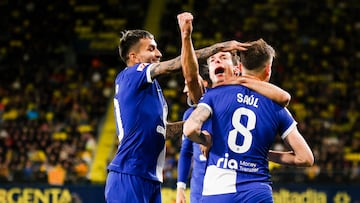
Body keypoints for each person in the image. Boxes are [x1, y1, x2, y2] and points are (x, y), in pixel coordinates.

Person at [104, 28, 250, 203]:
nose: (158, 54)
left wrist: (199, 121)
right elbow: (174, 65)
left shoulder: (150, 90)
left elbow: (162, 131)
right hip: (129, 174)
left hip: (149, 178)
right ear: (133, 57)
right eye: (151, 49)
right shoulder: (131, 74)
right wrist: (220, 47)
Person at [176, 13, 293, 203]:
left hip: (242, 185)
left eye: (223, 57)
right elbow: (190, 76)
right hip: (205, 189)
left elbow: (284, 97)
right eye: (212, 60)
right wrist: (186, 36)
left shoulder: (247, 97)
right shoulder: (208, 98)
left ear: (237, 67)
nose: (216, 61)